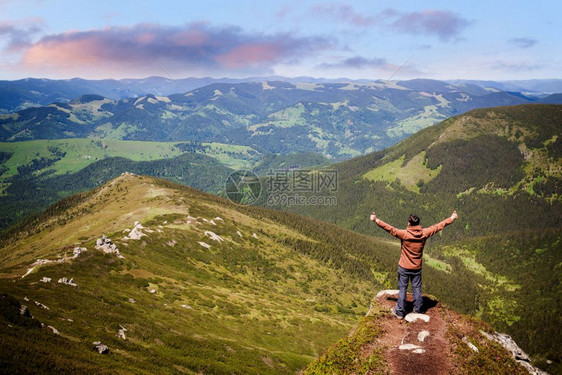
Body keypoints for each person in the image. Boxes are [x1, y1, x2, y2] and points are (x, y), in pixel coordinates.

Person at [370, 210, 458, 319]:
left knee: (403, 289)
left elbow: (389, 229)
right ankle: (417, 310)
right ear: (418, 224)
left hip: (404, 267)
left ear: (409, 223)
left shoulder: (404, 234)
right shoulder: (424, 233)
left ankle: (400, 312)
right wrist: (451, 218)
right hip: (417, 267)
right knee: (417, 289)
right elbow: (438, 226)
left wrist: (376, 220)